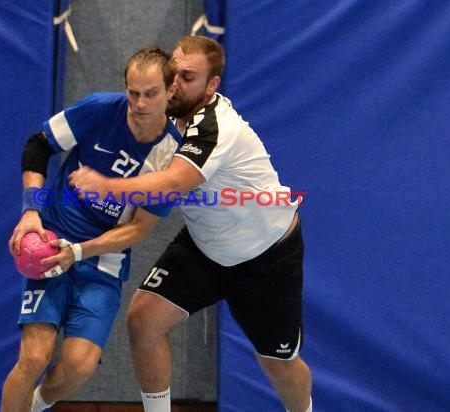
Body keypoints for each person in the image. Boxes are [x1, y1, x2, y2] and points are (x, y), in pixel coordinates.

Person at [69, 36, 313, 412]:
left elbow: (174, 183)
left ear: (212, 85)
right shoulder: (161, 121)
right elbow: (144, 215)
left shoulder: (216, 127)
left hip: (266, 255)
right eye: (174, 72)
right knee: (143, 319)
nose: (176, 83)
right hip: (204, 247)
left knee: (278, 363)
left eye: (188, 77)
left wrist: (106, 186)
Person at [0, 46, 182, 412]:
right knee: (35, 357)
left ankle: (32, 406)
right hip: (51, 243)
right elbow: (39, 145)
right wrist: (31, 212)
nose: (140, 103)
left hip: (103, 262)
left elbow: (138, 230)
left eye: (150, 94)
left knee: (79, 366)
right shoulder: (100, 108)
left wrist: (79, 253)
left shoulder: (173, 158)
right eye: (133, 93)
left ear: (171, 91)